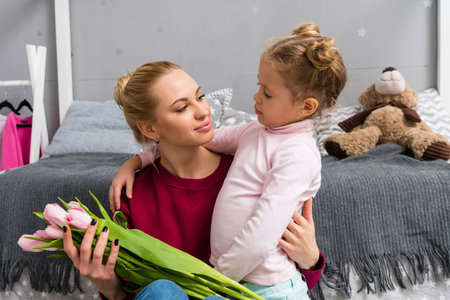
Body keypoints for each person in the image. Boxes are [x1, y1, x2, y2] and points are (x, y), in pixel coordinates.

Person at [109, 23, 346, 299]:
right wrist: (138, 160)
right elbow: (204, 138)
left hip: (261, 286)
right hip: (235, 282)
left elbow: (263, 241)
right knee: (164, 291)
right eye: (183, 107)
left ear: (306, 107)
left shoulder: (297, 154)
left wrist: (216, 280)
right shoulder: (254, 132)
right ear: (150, 129)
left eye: (201, 97)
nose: (255, 96)